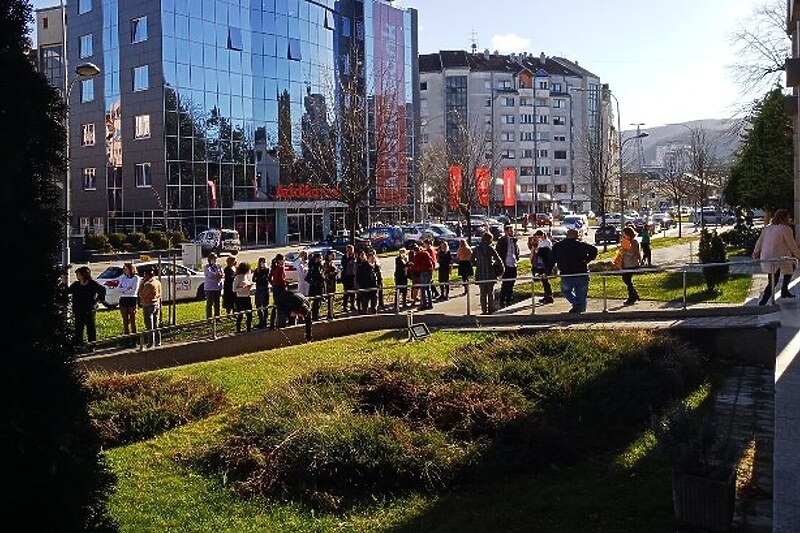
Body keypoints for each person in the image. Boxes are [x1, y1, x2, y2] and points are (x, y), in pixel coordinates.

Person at [753, 208, 800, 305]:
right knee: (774, 280)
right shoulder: (785, 229)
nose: (789, 219)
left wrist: (756, 252)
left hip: (768, 256)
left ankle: (784, 291)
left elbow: (759, 241)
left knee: (788, 269)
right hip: (776, 257)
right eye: (788, 217)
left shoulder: (768, 227)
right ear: (783, 218)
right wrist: (798, 255)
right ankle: (763, 302)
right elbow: (792, 245)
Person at [548, 228, 598, 314]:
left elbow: (551, 260)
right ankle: (581, 314)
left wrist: (547, 271)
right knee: (582, 295)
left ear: (567, 235)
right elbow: (594, 250)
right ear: (576, 236)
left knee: (565, 291)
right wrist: (587, 259)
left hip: (566, 273)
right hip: (581, 272)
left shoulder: (559, 246)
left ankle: (576, 304)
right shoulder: (581, 245)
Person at [66, 266, 106, 346]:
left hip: (89, 310)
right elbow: (68, 291)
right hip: (78, 310)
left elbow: (102, 290)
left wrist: (97, 300)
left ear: (84, 275)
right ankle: (78, 345)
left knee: (90, 328)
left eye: (78, 274)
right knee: (78, 328)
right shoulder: (76, 285)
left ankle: (92, 345)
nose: (77, 276)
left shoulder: (92, 284)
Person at [471, 232, 504, 315]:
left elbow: (471, 261)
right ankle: (490, 309)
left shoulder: (476, 249)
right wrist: (501, 270)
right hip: (490, 273)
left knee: (482, 293)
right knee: (490, 292)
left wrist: (478, 263)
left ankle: (484, 310)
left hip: (480, 273)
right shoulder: (490, 248)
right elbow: (498, 260)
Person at [138, 266, 162, 347]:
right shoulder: (157, 282)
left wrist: (141, 284)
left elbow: (141, 294)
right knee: (156, 324)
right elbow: (160, 293)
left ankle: (151, 341)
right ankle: (158, 341)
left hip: (148, 305)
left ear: (146, 275)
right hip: (156, 304)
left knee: (149, 325)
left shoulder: (148, 285)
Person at [496, 224, 519, 307]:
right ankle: (502, 301)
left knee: (512, 283)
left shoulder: (514, 240)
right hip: (506, 264)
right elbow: (498, 252)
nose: (512, 232)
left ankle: (509, 300)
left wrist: (517, 258)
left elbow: (516, 251)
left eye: (512, 230)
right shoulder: (502, 240)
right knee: (505, 284)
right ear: (506, 231)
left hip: (513, 264)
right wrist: (500, 264)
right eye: (510, 230)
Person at [620, 226, 643, 305]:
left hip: (631, 263)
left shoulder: (634, 242)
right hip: (626, 263)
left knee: (627, 279)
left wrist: (624, 250)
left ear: (628, 234)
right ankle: (634, 295)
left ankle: (632, 296)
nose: (623, 236)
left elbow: (632, 252)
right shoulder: (626, 241)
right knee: (626, 279)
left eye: (624, 234)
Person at [530, 230, 554, 304]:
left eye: (540, 236)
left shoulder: (547, 242)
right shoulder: (541, 242)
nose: (539, 238)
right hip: (540, 263)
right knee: (543, 281)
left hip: (544, 263)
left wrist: (539, 251)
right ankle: (546, 295)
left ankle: (549, 296)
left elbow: (547, 252)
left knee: (545, 280)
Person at [117, 263, 140, 339]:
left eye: (125, 269)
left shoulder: (136, 278)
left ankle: (134, 339)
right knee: (125, 321)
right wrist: (126, 289)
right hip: (123, 299)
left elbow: (134, 290)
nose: (124, 270)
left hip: (132, 299)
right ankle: (126, 339)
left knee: (133, 320)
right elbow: (118, 289)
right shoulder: (122, 277)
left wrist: (124, 290)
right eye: (123, 269)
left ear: (131, 269)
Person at [413, 239, 436, 310]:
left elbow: (416, 266)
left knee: (423, 288)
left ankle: (424, 304)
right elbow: (432, 260)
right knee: (428, 288)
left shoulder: (417, 256)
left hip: (423, 271)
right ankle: (430, 303)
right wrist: (433, 268)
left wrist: (414, 268)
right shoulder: (426, 253)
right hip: (430, 271)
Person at [233, 262, 254, 332]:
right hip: (240, 298)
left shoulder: (246, 276)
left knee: (249, 314)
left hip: (247, 297)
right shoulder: (238, 277)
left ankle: (249, 328)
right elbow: (234, 289)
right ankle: (238, 329)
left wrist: (249, 286)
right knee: (240, 315)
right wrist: (243, 288)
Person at [203, 252, 224, 319]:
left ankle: (217, 317)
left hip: (217, 287)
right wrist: (217, 275)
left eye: (215, 258)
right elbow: (209, 274)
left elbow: (222, 273)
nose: (214, 260)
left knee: (217, 303)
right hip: (210, 288)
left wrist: (220, 275)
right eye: (212, 258)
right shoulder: (207, 267)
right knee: (210, 303)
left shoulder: (218, 265)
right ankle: (209, 318)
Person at [306, 252, 325, 321]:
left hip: (320, 286)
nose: (321, 259)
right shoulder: (314, 266)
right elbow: (307, 278)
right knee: (316, 303)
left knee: (318, 302)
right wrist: (314, 283)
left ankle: (316, 315)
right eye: (320, 258)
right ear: (317, 258)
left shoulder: (319, 266)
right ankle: (314, 316)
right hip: (315, 287)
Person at [252, 256, 270, 329]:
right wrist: (258, 278)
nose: (262, 263)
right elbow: (253, 279)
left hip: (264, 288)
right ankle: (261, 321)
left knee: (265, 305)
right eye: (261, 262)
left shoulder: (267, 270)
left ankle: (265, 322)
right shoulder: (257, 270)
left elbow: (265, 279)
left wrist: (260, 277)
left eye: (263, 262)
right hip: (258, 289)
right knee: (258, 305)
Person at [341, 244, 357, 312]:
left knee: (353, 292)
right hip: (346, 277)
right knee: (346, 292)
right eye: (348, 250)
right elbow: (343, 265)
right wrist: (347, 257)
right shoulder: (344, 257)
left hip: (352, 276)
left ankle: (352, 305)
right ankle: (345, 306)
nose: (350, 251)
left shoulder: (354, 256)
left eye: (351, 250)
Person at [322, 250, 338, 320]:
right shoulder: (326, 263)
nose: (333, 256)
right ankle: (329, 314)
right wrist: (333, 273)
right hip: (329, 283)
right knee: (330, 298)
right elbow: (326, 274)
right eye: (332, 255)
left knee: (332, 298)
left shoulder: (332, 263)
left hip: (333, 282)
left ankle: (331, 312)